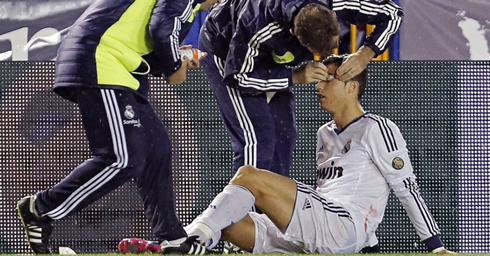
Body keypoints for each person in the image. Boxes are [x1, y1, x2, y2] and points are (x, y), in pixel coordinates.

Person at [185, 54, 455, 254]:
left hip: (343, 226)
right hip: (325, 228)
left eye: (328, 80)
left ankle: (189, 239)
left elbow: (406, 187)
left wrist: (435, 246)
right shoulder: (324, 132)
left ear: (352, 88)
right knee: (229, 220)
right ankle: (200, 240)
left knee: (248, 176)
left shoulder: (376, 127)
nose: (319, 86)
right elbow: (344, 190)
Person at [16, 0, 212, 255]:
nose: (219, 2)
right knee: (123, 158)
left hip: (118, 67)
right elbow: (163, 29)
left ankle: (173, 239)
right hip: (102, 62)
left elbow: (146, 43)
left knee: (157, 150)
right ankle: (41, 208)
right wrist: (176, 65)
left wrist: (176, 58)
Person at [198, 0, 404, 180]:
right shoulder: (257, 24)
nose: (330, 51)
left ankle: (269, 214)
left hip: (268, 50)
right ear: (294, 33)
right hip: (225, 51)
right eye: (314, 50)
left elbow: (393, 14)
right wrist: (294, 76)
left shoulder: (338, 1)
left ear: (333, 14)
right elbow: (238, 77)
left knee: (284, 135)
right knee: (257, 139)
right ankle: (244, 219)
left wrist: (365, 54)